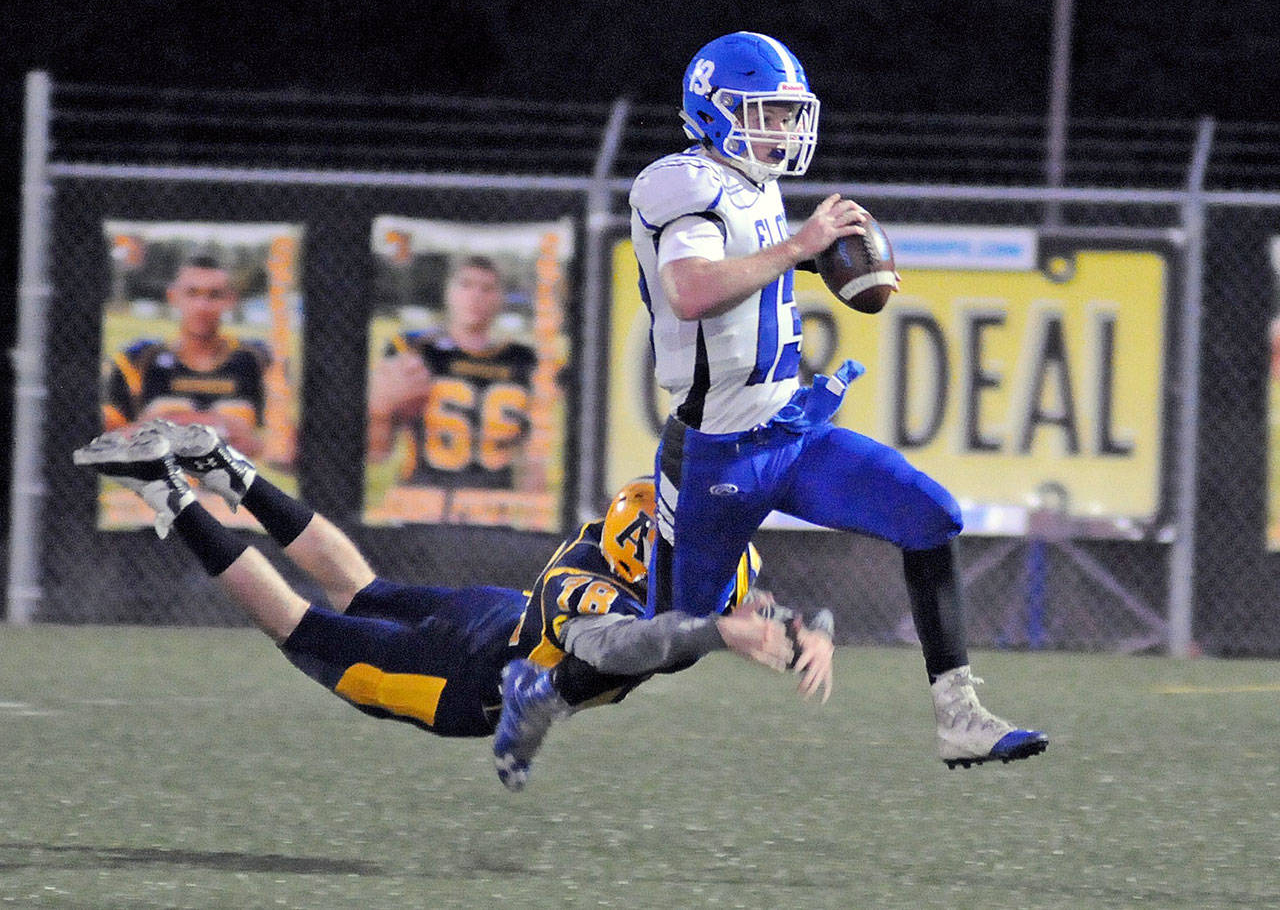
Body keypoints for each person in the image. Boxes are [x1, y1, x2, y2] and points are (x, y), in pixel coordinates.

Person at [627, 30, 1047, 769]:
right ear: (715, 108)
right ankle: (547, 657)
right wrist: (798, 246)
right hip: (719, 450)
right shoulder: (679, 183)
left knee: (931, 516)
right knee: (674, 638)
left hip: (791, 428)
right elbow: (691, 291)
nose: (785, 129)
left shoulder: (754, 184)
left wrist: (823, 263)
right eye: (768, 112)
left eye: (791, 113)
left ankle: (959, 713)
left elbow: (750, 281)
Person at [72, 421, 833, 792]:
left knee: (362, 591)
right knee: (299, 626)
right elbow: (620, 648)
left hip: (495, 616)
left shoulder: (697, 558)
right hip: (469, 678)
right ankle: (167, 491)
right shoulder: (586, 591)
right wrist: (714, 632)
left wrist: (811, 634)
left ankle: (228, 471)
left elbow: (757, 608)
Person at [367, 255, 539, 494]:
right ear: (448, 291)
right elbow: (376, 451)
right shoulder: (414, 349)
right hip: (423, 496)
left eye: (487, 288)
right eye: (465, 285)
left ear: (500, 297)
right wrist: (381, 409)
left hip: (494, 504)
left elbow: (534, 456)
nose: (475, 296)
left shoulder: (523, 360)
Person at [102, 253, 269, 458]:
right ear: (173, 296)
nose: (202, 306)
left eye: (214, 295)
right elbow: (106, 438)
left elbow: (284, 448)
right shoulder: (140, 358)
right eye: (192, 293)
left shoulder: (256, 359)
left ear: (230, 300)